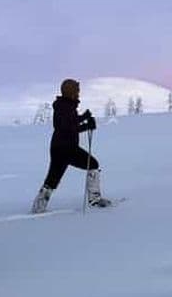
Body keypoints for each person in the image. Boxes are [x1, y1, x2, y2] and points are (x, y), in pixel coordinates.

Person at [31, 78, 112, 214]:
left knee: (52, 179)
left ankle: (38, 208)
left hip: (60, 148)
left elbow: (70, 123)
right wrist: (87, 124)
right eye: (76, 90)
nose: (78, 93)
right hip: (66, 149)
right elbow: (67, 127)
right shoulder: (65, 107)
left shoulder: (65, 106)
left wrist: (84, 118)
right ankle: (94, 200)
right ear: (70, 91)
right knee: (92, 164)